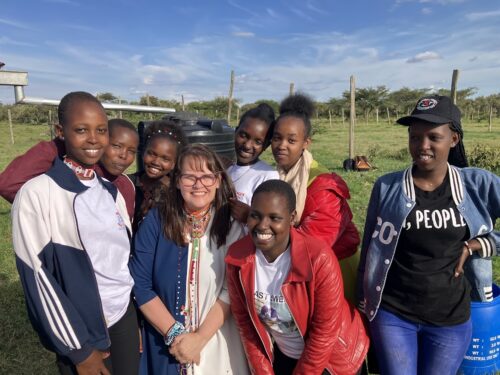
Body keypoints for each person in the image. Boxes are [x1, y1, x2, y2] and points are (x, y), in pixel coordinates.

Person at [356, 95, 500, 375]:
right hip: (393, 313)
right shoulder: (387, 187)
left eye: (434, 137)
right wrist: (361, 299)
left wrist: (480, 244)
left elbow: (481, 240)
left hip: (450, 318)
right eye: (415, 137)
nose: (422, 146)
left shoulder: (477, 184)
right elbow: (370, 245)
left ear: (454, 139)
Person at [11, 91, 140, 375]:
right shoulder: (37, 194)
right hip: (83, 332)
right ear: (61, 132)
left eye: (101, 130)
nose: (94, 139)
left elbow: (119, 263)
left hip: (124, 318)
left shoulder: (112, 191)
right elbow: (38, 279)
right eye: (81, 130)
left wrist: (133, 320)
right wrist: (79, 351)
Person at [226, 179, 369, 375]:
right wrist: (263, 371)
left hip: (332, 358)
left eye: (274, 218)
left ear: (292, 218)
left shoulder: (319, 258)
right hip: (286, 355)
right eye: (255, 215)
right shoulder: (237, 259)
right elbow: (246, 324)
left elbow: (324, 332)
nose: (262, 226)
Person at [130, 144, 249, 375]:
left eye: (206, 177)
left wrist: (200, 338)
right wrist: (176, 336)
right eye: (189, 177)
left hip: (218, 336)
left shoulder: (231, 225)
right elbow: (140, 284)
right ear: (176, 181)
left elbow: (232, 288)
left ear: (218, 181)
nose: (198, 185)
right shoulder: (157, 220)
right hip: (166, 340)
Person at [271, 93, 360, 301]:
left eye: (291, 140)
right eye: (277, 137)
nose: (282, 145)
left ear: (306, 143)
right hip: (300, 274)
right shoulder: (278, 174)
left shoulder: (323, 187)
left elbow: (313, 246)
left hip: (334, 274)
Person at [0, 118, 139, 221]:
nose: (124, 155)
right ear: (100, 142)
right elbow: (9, 185)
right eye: (116, 146)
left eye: (132, 151)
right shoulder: (72, 175)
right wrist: (64, 141)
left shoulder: (127, 186)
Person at [128, 120, 187, 232]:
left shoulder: (178, 191)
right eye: (151, 153)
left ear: (174, 163)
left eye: (165, 159)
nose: (156, 162)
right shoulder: (127, 183)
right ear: (143, 152)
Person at [227, 103, 279, 223]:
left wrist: (250, 216)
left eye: (258, 141)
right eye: (243, 135)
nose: (247, 145)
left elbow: (271, 222)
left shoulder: (267, 176)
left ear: (266, 146)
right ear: (235, 132)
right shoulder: (228, 169)